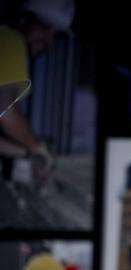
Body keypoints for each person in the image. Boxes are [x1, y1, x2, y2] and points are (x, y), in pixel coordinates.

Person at [0, 0, 75, 182]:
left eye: (55, 35)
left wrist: (26, 152)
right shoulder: (11, 41)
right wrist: (37, 147)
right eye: (46, 27)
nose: (49, 41)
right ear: (24, 19)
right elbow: (6, 114)